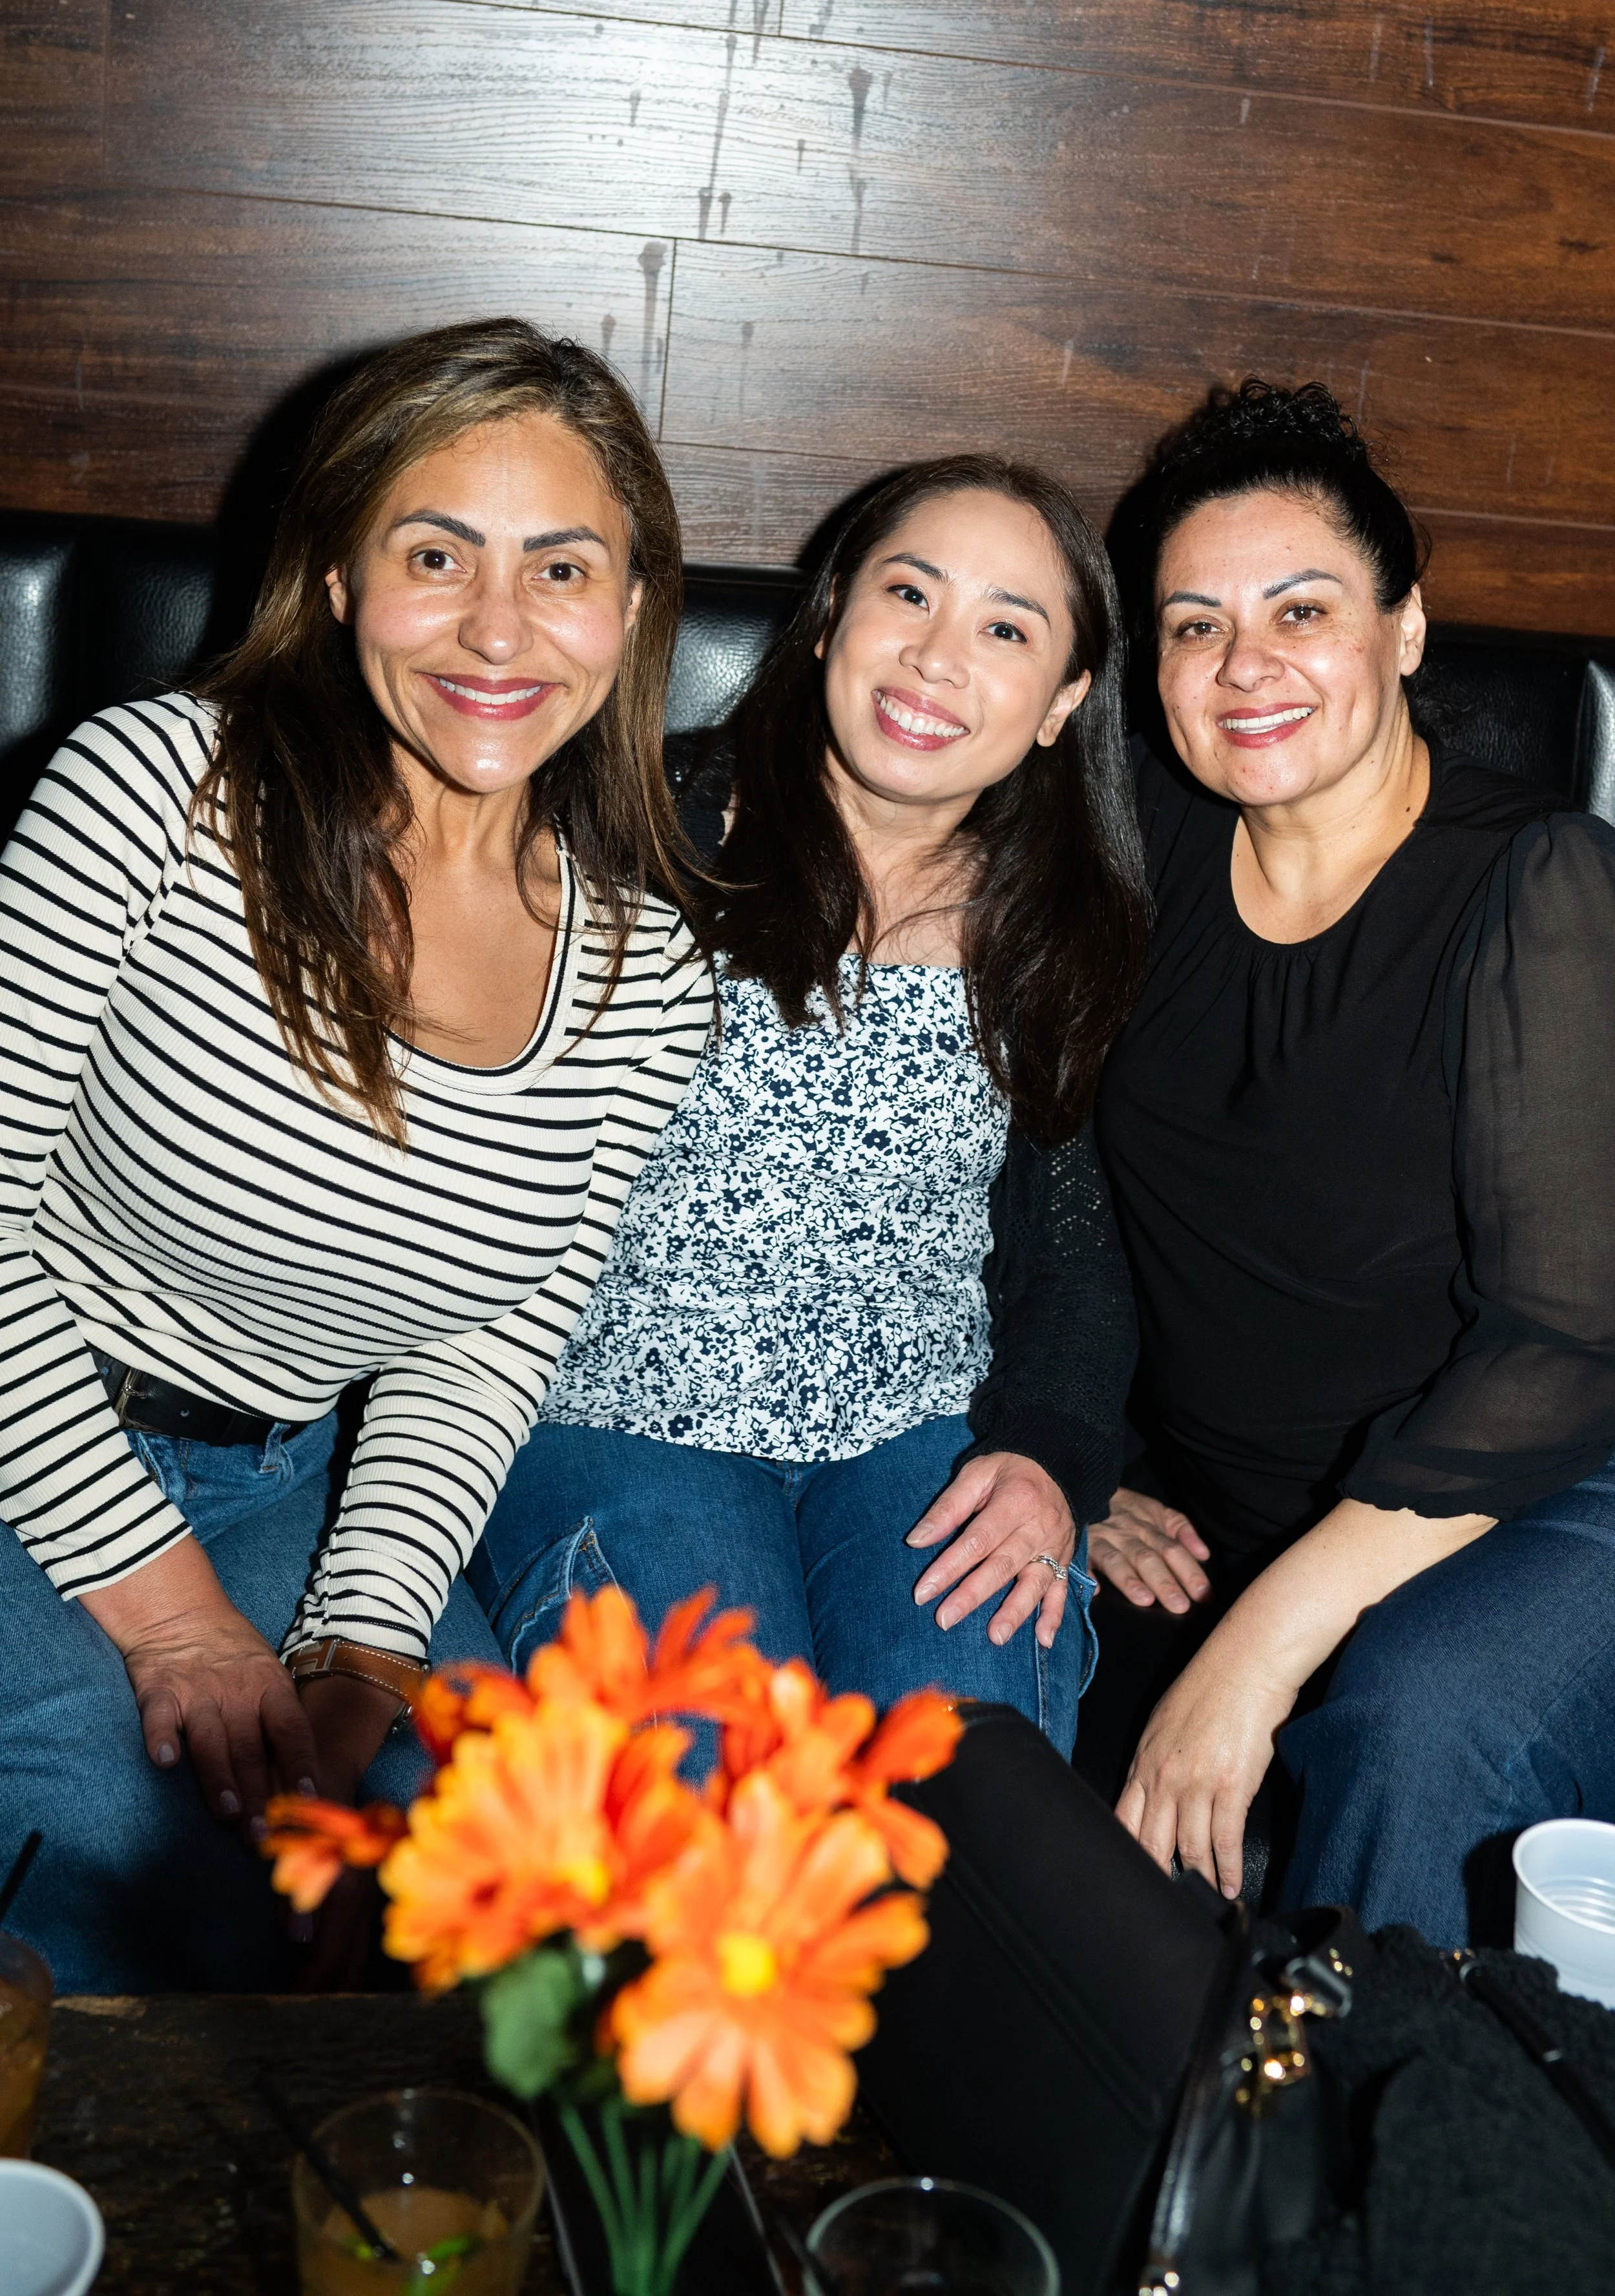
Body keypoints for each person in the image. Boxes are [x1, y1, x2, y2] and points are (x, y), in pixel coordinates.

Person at [0, 318, 713, 1992]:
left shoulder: (641, 973)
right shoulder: (159, 790)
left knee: (486, 1888)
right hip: (26, 1432)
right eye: (435, 552)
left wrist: (363, 1648)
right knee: (135, 1882)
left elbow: (488, 1340)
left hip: (288, 1480)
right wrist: (173, 1618)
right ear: (335, 577)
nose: (495, 624)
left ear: (627, 610)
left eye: (560, 566)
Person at [468, 455, 1152, 1754]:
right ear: (832, 613)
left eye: (1004, 629)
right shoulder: (634, 824)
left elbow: (1075, 1250)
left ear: (1063, 699)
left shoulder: (1060, 923)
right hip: (614, 1411)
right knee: (741, 1814)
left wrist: (1052, 1459)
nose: (935, 661)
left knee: (963, 1799)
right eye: (909, 595)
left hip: (918, 1435)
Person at [1088, 379, 1615, 1944]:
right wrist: (1071, 1444)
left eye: (1298, 609)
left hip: (1538, 1493)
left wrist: (1254, 1653)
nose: (1243, 667)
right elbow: (1034, 1188)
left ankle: (1363, 2178)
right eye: (1191, 627)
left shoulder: (1540, 882)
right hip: (1217, 1514)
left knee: (1409, 1716)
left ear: (1401, 631)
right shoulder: (1145, 856)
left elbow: (1571, 1340)